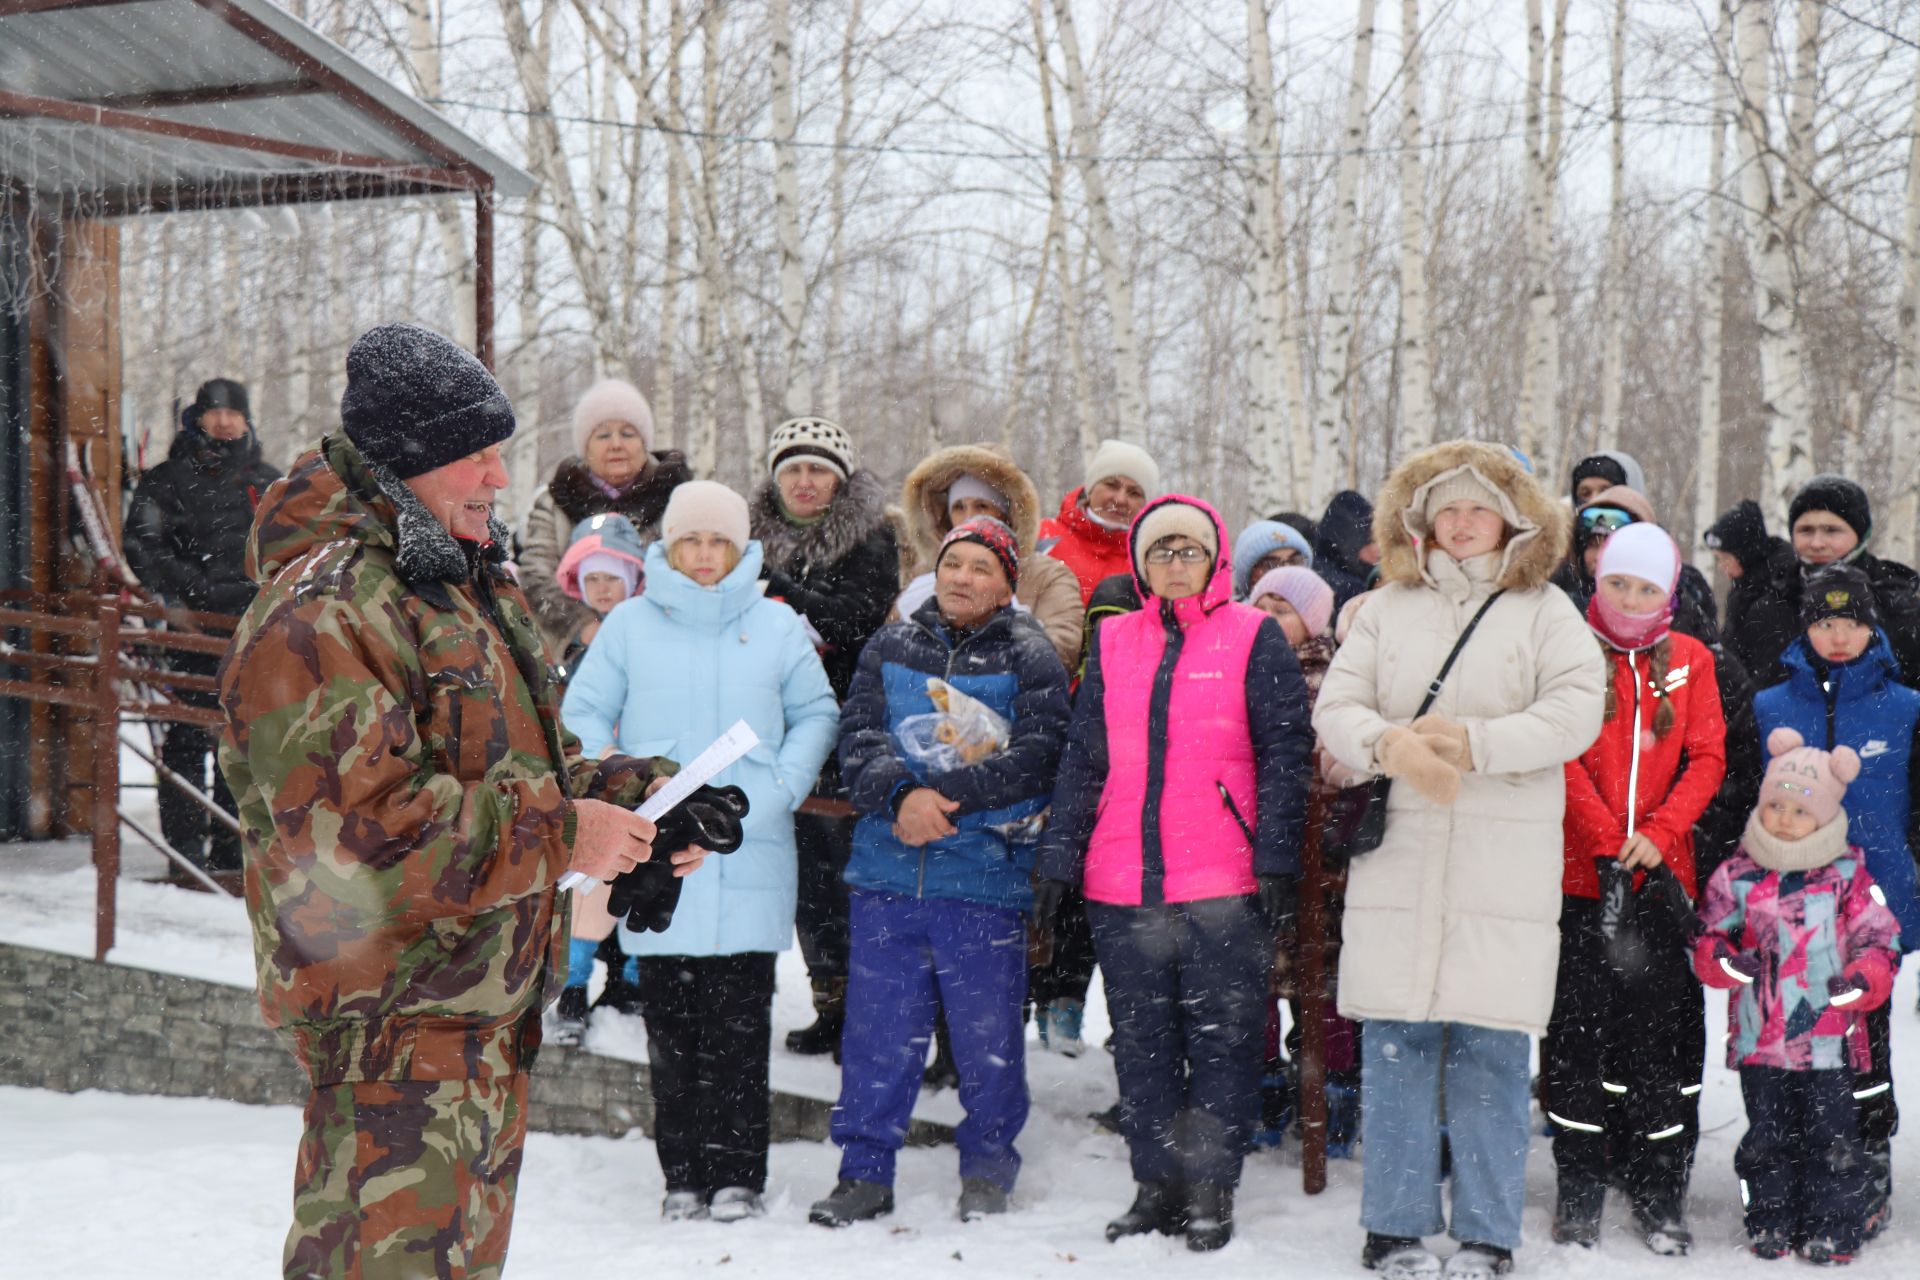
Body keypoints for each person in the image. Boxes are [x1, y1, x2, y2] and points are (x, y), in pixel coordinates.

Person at [218, 324, 704, 1278]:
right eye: (471, 454)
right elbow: (362, 837)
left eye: (499, 451)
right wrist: (571, 835)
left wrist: (645, 800)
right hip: (392, 1032)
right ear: (405, 462)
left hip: (474, 1015)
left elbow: (529, 764)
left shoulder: (455, 584)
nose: (496, 475)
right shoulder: (323, 611)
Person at [1313, 441, 1606, 1278]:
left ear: (1512, 520)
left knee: (1491, 1049)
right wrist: (1387, 746)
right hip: (1400, 855)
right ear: (1421, 521)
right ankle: (1394, 1225)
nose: (1463, 522)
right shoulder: (1386, 608)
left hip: (1500, 862)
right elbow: (1339, 706)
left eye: (1479, 508)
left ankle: (1487, 1231)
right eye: (1447, 509)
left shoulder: (1548, 610)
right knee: (1398, 1040)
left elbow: (1575, 712)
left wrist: (1475, 744)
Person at [1036, 496, 1312, 1252]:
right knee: (1142, 1042)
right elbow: (1085, 759)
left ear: (1215, 557)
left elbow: (1287, 753)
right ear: (1141, 564)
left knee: (1223, 1043)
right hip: (1121, 879)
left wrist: (1278, 856)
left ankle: (1211, 1190)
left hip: (1222, 878)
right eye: (1160, 552)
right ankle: (1154, 1184)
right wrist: (1060, 856)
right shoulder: (1117, 639)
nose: (1174, 565)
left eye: (1188, 550)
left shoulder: (1253, 636)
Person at [562, 480, 839, 1222]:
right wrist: (620, 785)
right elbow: (580, 715)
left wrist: (780, 787)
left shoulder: (777, 627)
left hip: (749, 845)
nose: (706, 555)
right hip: (658, 852)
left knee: (743, 1031)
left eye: (720, 541)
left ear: (742, 546)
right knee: (674, 1032)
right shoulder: (629, 626)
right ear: (670, 547)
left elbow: (816, 712)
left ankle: (739, 1176)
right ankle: (681, 1174)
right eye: (692, 541)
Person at [809, 517, 1070, 1228]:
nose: (962, 578)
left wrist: (943, 802)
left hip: (983, 879)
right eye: (953, 563)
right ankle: (864, 1171)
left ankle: (987, 1166)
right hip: (889, 877)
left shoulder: (1031, 654)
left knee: (987, 1040)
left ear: (1006, 583)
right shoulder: (892, 643)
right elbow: (857, 737)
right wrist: (903, 796)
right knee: (876, 1036)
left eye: (981, 567)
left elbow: (1040, 755)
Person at [1545, 524, 1726, 1256]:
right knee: (1576, 1041)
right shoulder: (1568, 647)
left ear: (1669, 594)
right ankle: (1580, 1186)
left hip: (1659, 881)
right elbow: (1557, 748)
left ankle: (1659, 1189)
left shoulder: (1688, 659)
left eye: (1645, 587)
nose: (1629, 597)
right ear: (1597, 580)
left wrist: (1660, 829)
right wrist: (1601, 837)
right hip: (1582, 879)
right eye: (1618, 582)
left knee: (1658, 1045)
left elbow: (1708, 755)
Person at [1751, 562, 1920, 1239]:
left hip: (1874, 908)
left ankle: (1865, 1164)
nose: (1839, 634)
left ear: (1871, 624)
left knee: (1863, 1042)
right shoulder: (1769, 706)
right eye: (1825, 621)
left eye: (1851, 621)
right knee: (1787, 1042)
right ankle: (1790, 1172)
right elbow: (1743, 800)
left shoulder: (1906, 706)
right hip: (1784, 909)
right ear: (1806, 626)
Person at [1695, 730, 1901, 1265]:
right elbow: (1708, 936)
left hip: (1828, 1043)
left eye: (1799, 811)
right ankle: (1770, 1218)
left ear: (1827, 817)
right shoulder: (1738, 873)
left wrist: (1863, 977)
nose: (1784, 819)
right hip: (1762, 1040)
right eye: (1775, 806)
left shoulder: (1848, 874)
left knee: (1833, 1139)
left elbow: (1880, 938)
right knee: (1766, 1138)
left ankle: (1834, 1224)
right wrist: (1724, 962)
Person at [747, 416, 901, 1059]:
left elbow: (854, 621)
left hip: (847, 725)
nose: (805, 482)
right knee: (805, 878)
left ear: (839, 482)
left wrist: (779, 590)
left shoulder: (870, 537)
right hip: (769, 727)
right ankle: (829, 1002)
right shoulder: (746, 535)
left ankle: (867, 1009)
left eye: (818, 471)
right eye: (793, 469)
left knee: (846, 876)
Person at [124, 377, 280, 887]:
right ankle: (185, 855)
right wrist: (188, 591)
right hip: (191, 631)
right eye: (215, 411)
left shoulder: (268, 482)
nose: (225, 421)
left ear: (246, 419)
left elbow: (295, 548)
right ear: (198, 416)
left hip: (253, 634)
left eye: (234, 412)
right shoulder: (167, 479)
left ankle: (230, 855)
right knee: (189, 737)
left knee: (243, 743)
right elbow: (144, 546)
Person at [1245, 565, 1363, 1156]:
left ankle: (1332, 1094)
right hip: (1255, 856)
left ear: (1312, 621)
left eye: (1283, 608)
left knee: (1325, 987)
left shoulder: (1337, 680)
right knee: (1257, 981)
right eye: (1259, 604)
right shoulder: (1240, 673)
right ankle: (1262, 1088)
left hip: (1321, 860)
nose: (1268, 617)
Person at [517, 378, 691, 657]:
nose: (616, 445)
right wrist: (584, 626)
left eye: (628, 433)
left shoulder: (680, 499)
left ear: (644, 441)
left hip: (665, 648)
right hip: (577, 654)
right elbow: (536, 577)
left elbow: (691, 572)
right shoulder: (554, 502)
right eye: (602, 435)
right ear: (585, 447)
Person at [898, 442, 1083, 670]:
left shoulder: (1047, 575)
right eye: (958, 507)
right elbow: (888, 645)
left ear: (1006, 513)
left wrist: (976, 668)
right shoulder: (924, 573)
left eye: (982, 505)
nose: (969, 517)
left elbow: (1062, 650)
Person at [1738, 475, 1920, 688]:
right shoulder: (1768, 606)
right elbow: (1742, 695)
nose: (1817, 543)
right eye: (1806, 530)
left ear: (1860, 534)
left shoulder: (1897, 604)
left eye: (1832, 530)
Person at [1039, 438, 1160, 604]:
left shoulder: (1149, 562)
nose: (1120, 499)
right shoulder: (1042, 536)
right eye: (1112, 485)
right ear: (1090, 488)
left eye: (1134, 493)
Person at [1702, 499, 1798, 685]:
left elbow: (1768, 668)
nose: (1722, 566)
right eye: (1718, 560)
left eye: (1726, 559)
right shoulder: (1745, 586)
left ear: (1744, 554)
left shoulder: (1776, 594)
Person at [549, 512, 648, 682]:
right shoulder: (573, 633)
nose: (602, 588)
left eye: (612, 577)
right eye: (591, 578)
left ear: (632, 580)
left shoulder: (646, 624)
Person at [1312, 489, 1378, 614]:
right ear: (1349, 543)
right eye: (1371, 540)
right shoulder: (1350, 589)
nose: (1378, 548)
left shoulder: (1318, 568)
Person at [1232, 518, 1316, 600]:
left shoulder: (1319, 609)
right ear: (1250, 577)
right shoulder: (1232, 613)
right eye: (1271, 564)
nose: (1287, 570)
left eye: (1295, 561)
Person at [1568, 450, 1646, 508]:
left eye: (1605, 492)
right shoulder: (1568, 529)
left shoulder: (1651, 530)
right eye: (1586, 494)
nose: (1594, 500)